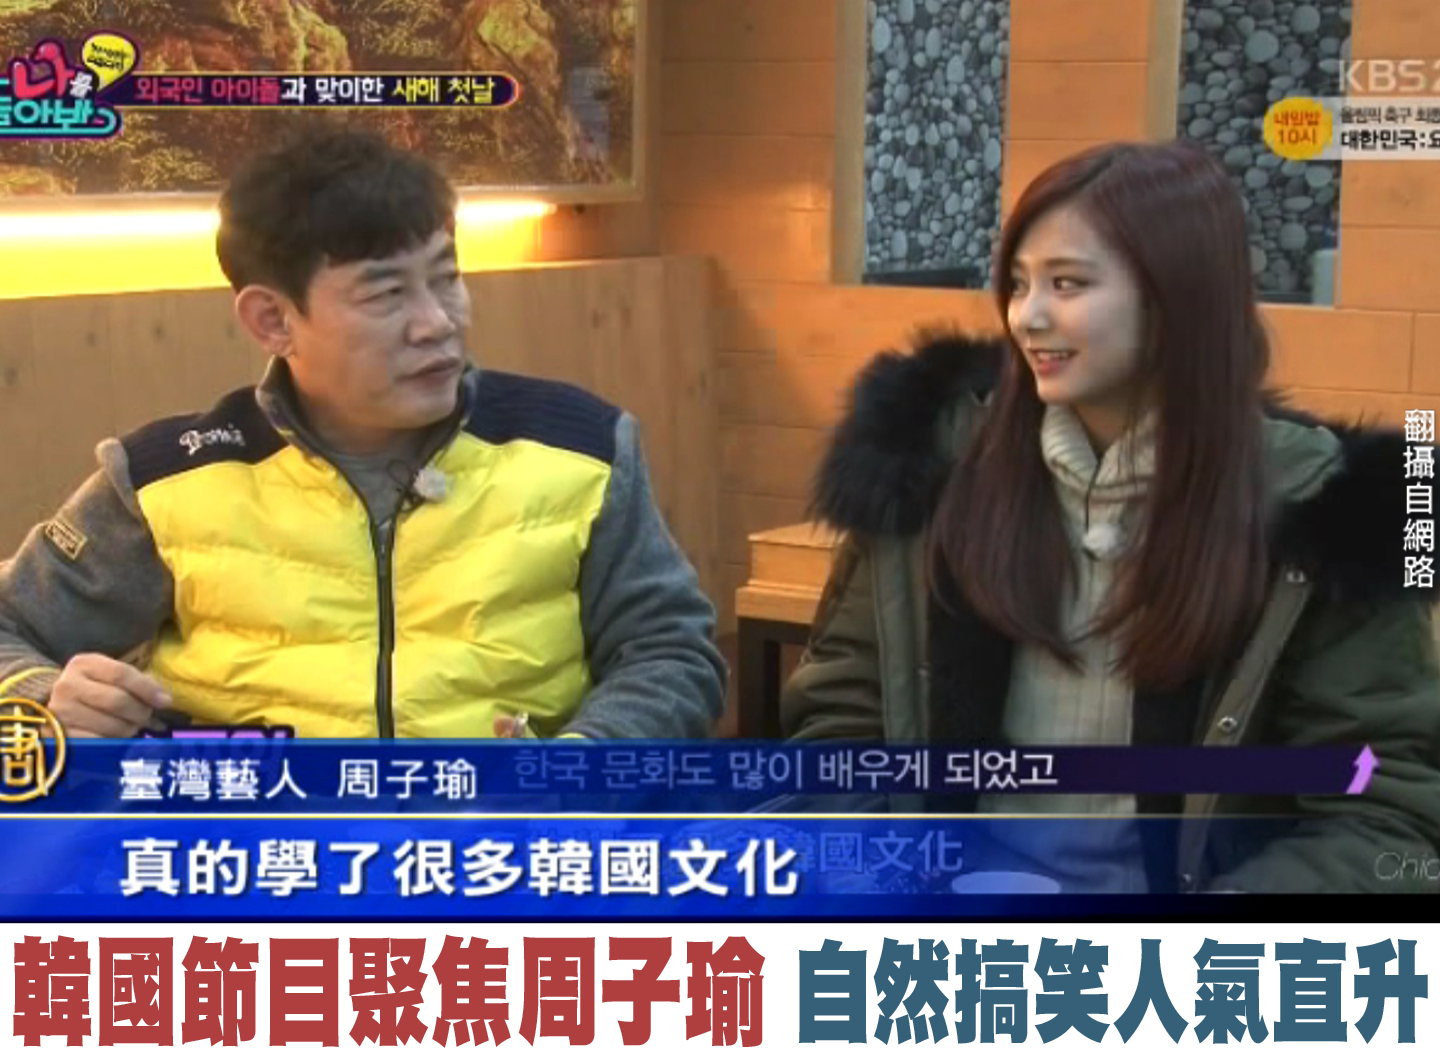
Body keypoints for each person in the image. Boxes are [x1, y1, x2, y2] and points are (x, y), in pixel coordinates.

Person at [782, 140, 1440, 894]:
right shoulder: (929, 466)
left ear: (1176, 301)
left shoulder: (1327, 509)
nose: (1027, 316)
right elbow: (839, 726)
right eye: (1018, 283)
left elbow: (1387, 815)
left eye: (1068, 283)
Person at [0, 128, 725, 740]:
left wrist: (575, 767)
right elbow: (11, 630)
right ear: (273, 321)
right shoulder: (166, 479)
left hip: (500, 841)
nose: (437, 322)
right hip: (255, 842)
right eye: (386, 295)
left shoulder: (580, 449)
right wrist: (43, 698)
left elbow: (672, 654)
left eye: (446, 278)